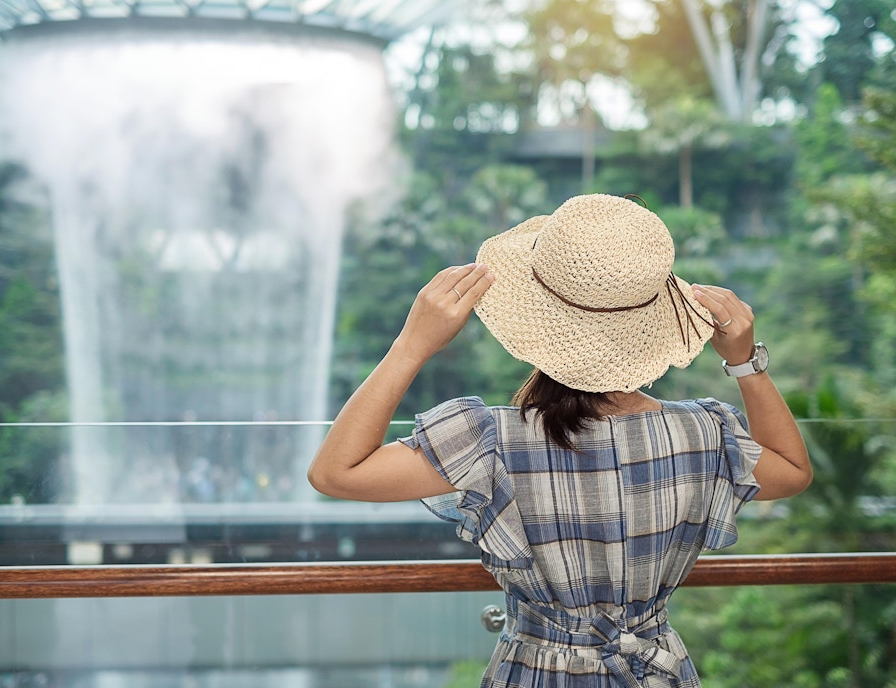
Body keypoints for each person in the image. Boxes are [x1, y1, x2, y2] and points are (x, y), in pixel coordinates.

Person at [308, 193, 811, 687]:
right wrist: (746, 363)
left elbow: (336, 472)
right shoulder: (703, 435)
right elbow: (792, 470)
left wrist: (411, 345)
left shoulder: (490, 443)